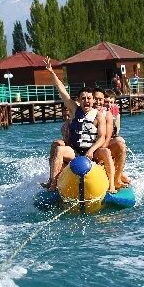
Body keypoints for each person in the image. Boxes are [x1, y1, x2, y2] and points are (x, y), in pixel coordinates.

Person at [42, 58, 114, 193]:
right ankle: (53, 183)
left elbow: (101, 137)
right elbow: (62, 91)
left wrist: (91, 150)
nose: (86, 101)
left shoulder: (99, 115)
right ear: (79, 100)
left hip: (92, 151)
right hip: (75, 151)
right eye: (83, 98)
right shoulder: (75, 110)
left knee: (106, 152)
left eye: (89, 98)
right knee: (59, 150)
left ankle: (111, 185)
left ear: (93, 100)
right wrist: (52, 73)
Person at [103, 90, 130, 187]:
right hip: (99, 143)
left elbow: (116, 132)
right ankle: (118, 176)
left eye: (111, 102)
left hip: (109, 141)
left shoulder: (116, 114)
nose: (109, 105)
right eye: (106, 102)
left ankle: (118, 177)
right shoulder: (97, 113)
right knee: (120, 141)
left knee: (120, 141)